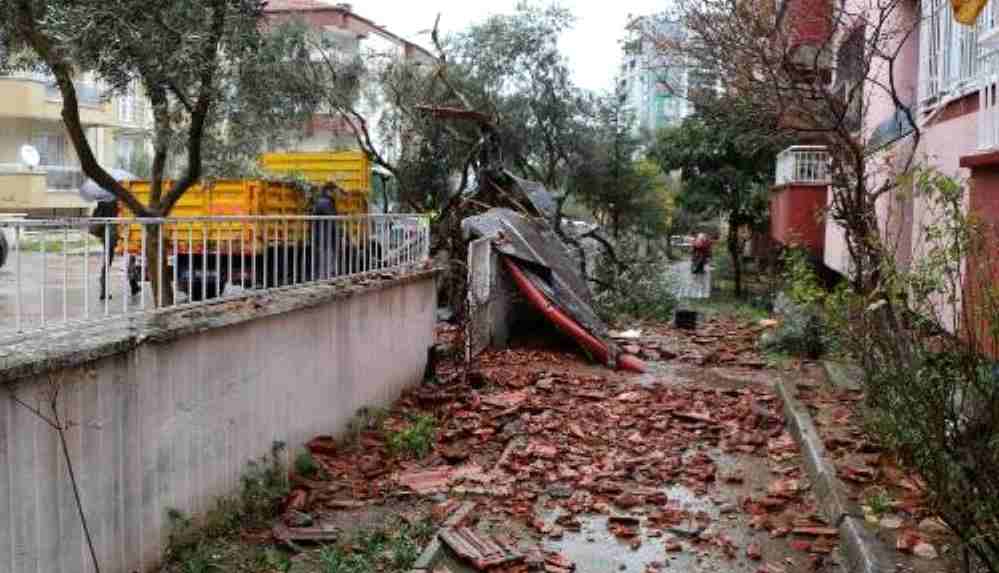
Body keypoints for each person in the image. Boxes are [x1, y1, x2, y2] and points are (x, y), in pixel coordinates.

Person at [89, 198, 141, 300]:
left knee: (108, 261)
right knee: (130, 256)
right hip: (118, 231)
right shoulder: (117, 199)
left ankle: (104, 290)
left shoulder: (102, 200)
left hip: (107, 233)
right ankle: (134, 285)